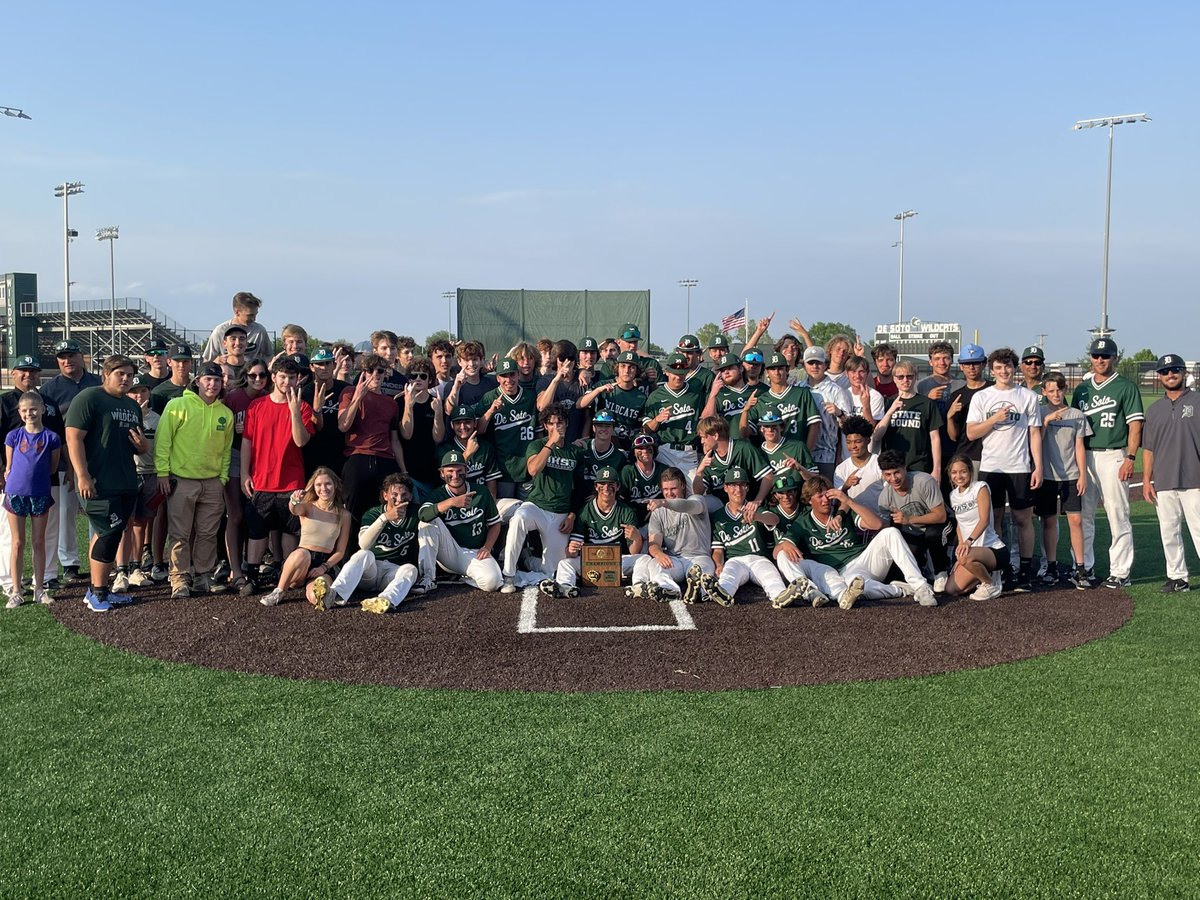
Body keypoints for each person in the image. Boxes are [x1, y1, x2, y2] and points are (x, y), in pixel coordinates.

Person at [772, 474, 938, 609]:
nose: (825, 500)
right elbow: (775, 552)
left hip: (861, 561)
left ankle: (920, 586)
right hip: (837, 572)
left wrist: (848, 501)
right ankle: (899, 589)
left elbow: (877, 524)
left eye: (828, 494)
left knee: (890, 532)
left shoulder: (841, 513)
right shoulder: (803, 522)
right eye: (819, 496)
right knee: (856, 588)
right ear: (809, 500)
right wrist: (784, 544)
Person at [64, 355, 148, 613]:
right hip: (98, 482)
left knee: (106, 532)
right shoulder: (89, 398)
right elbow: (73, 438)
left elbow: (141, 445)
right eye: (119, 373)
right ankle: (98, 593)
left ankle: (96, 588)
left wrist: (142, 445)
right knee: (109, 535)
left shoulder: (132, 406)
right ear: (106, 374)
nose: (125, 379)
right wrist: (83, 475)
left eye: (129, 375)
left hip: (125, 479)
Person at [965, 347, 1044, 592]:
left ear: (1015, 367)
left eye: (1008, 366)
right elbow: (971, 432)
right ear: (992, 370)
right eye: (999, 367)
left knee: (1023, 519)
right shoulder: (982, 397)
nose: (1004, 371)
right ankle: (1002, 568)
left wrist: (1037, 466)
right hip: (991, 467)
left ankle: (1025, 569)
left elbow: (1034, 433)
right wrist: (994, 419)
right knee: (995, 519)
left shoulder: (1027, 396)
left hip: (1019, 466)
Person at [155, 361, 236, 598]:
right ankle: (179, 578)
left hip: (212, 482)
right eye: (207, 379)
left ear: (222, 384)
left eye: (217, 380)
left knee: (208, 533)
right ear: (197, 381)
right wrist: (162, 472)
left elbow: (226, 449)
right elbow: (163, 441)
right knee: (180, 533)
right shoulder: (177, 405)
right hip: (182, 479)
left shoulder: (225, 413)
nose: (212, 384)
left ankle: (203, 575)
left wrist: (221, 478)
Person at [1072, 336, 1143, 589]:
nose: (1100, 360)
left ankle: (1120, 572)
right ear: (1090, 357)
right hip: (1086, 456)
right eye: (1096, 355)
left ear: (1115, 358)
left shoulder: (1125, 386)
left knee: (1118, 514)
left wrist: (1131, 457)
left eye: (1105, 356)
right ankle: (1084, 567)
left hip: (1114, 454)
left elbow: (1135, 424)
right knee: (1084, 515)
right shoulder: (1082, 388)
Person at [240, 357, 316, 593]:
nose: (286, 382)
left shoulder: (303, 407)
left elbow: (301, 441)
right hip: (261, 480)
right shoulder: (257, 406)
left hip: (292, 483)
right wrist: (244, 473)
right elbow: (246, 442)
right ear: (273, 378)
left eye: (291, 378)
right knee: (257, 530)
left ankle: (285, 574)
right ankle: (252, 576)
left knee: (290, 530)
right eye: (282, 377)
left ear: (297, 380)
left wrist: (294, 411)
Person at [311, 473, 430, 614]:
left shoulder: (415, 512)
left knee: (411, 569)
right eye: (394, 494)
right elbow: (363, 544)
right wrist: (384, 518)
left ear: (410, 496)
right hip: (370, 571)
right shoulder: (373, 513)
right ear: (385, 495)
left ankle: (386, 600)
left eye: (404, 495)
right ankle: (334, 595)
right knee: (363, 554)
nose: (399, 499)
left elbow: (433, 510)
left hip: (393, 573)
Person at [693, 466, 804, 608]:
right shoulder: (718, 516)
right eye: (733, 485)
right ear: (725, 488)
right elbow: (718, 550)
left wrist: (757, 516)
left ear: (747, 488)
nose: (738, 490)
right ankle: (719, 594)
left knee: (771, 576)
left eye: (741, 485)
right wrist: (719, 565)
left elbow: (774, 519)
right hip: (735, 559)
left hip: (759, 558)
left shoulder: (755, 507)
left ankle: (780, 597)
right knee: (728, 576)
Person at [0, 356, 65, 596]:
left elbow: (59, 437)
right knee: (11, 537)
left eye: (33, 372)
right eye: (23, 371)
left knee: (46, 534)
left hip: (43, 480)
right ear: (14, 374)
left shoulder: (48, 403)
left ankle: (46, 578)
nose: (29, 375)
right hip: (11, 480)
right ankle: (10, 582)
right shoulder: (5, 402)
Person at [500, 404, 582, 592]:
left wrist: (572, 515)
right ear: (545, 426)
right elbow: (533, 469)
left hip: (560, 512)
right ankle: (509, 576)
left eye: (559, 423)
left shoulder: (574, 452)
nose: (556, 427)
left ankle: (528, 560)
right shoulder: (537, 445)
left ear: (567, 424)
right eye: (551, 423)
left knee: (553, 570)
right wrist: (550, 443)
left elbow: (580, 488)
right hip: (536, 506)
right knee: (519, 518)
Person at [41, 339, 101, 585]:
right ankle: (70, 563)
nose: (67, 360)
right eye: (62, 356)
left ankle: (97, 557)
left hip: (96, 457)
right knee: (65, 512)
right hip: (65, 461)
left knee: (95, 511)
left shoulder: (97, 382)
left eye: (71, 355)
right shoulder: (49, 389)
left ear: (81, 356)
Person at [1141, 353, 1200, 594]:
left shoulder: (1197, 401)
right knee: (1169, 532)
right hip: (1164, 481)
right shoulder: (1154, 410)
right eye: (1165, 371)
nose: (1170, 374)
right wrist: (1146, 479)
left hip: (1195, 479)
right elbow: (1149, 448)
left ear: (1184, 373)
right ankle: (1178, 578)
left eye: (1175, 369)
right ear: (1159, 376)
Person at [539, 465, 643, 598]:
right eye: (602, 484)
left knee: (644, 559)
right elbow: (572, 552)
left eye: (611, 484)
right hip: (590, 562)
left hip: (617, 561)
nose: (606, 488)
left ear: (617, 487)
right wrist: (571, 549)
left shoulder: (626, 511)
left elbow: (634, 552)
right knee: (564, 563)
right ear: (595, 486)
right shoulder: (585, 511)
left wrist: (637, 538)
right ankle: (565, 587)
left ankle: (639, 587)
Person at [260, 467, 351, 607]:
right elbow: (294, 509)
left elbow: (340, 551)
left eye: (328, 484)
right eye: (319, 485)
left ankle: (327, 594)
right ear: (314, 488)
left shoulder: (344, 515)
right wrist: (294, 500)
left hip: (323, 563)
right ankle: (279, 591)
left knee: (316, 597)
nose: (324, 488)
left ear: (335, 485)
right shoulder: (308, 507)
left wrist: (324, 567)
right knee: (302, 554)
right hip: (301, 562)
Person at [417, 450, 503, 593]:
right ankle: (428, 578)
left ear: (466, 470)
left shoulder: (481, 492)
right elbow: (422, 514)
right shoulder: (438, 494)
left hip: (475, 552)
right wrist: (451, 502)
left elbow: (495, 524)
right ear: (442, 473)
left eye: (459, 470)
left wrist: (488, 547)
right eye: (450, 471)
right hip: (449, 551)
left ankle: (464, 577)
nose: (455, 475)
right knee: (426, 523)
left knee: (492, 582)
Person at [338, 353, 406, 536]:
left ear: (385, 374)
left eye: (380, 371)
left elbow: (394, 440)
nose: (375, 374)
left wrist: (403, 470)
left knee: (385, 510)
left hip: (385, 460)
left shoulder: (391, 403)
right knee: (352, 513)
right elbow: (343, 425)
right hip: (357, 458)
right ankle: (349, 558)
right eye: (369, 370)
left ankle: (382, 557)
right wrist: (357, 398)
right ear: (363, 373)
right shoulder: (349, 392)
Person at [1036, 372, 1090, 589]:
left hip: (1070, 476)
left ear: (1065, 389)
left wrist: (1083, 474)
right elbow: (1035, 443)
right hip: (1047, 476)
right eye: (1051, 390)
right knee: (1048, 521)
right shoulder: (1039, 413)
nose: (1055, 394)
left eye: (1059, 389)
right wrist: (1046, 422)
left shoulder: (1076, 415)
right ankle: (1050, 566)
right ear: (1044, 392)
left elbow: (1079, 446)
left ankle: (1080, 568)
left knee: (1075, 522)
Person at [628, 467, 714, 602]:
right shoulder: (658, 512)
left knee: (703, 575)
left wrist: (664, 502)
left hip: (699, 557)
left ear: (683, 486)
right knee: (654, 564)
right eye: (665, 490)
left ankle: (702, 593)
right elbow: (654, 543)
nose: (669, 493)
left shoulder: (697, 500)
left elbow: (689, 506)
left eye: (673, 489)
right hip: (676, 559)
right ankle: (669, 590)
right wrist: (658, 553)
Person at [876, 449, 952, 586]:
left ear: (905, 468)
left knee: (933, 534)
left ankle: (942, 569)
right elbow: (886, 530)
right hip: (914, 530)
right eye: (888, 474)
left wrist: (909, 519)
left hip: (942, 524)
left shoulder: (924, 481)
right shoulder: (884, 498)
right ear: (882, 474)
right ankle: (923, 570)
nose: (893, 479)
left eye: (897, 472)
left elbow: (941, 516)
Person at [119, 375, 161, 591]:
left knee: (141, 524)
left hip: (150, 474)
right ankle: (121, 570)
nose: (139, 395)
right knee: (124, 524)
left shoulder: (157, 418)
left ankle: (136, 568)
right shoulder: (122, 415)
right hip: (128, 474)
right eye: (134, 391)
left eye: (143, 391)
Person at [944, 454, 1005, 601]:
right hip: (970, 550)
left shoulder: (980, 487)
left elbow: (984, 520)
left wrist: (968, 542)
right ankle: (985, 573)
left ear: (970, 471)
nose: (959, 476)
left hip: (992, 549)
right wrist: (960, 546)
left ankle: (991, 583)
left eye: (963, 471)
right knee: (951, 590)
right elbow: (960, 524)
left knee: (965, 557)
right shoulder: (953, 495)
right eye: (954, 472)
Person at [477, 357, 539, 500]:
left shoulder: (530, 397)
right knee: (505, 513)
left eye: (512, 374)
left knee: (526, 513)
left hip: (527, 467)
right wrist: (491, 410)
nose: (508, 379)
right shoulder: (489, 398)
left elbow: (539, 433)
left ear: (518, 374)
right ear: (497, 378)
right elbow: (479, 430)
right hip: (503, 468)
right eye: (504, 375)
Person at [873, 359, 943, 476]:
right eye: (900, 377)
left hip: (919, 465)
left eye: (909, 376)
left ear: (915, 377)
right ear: (894, 379)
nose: (905, 380)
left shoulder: (927, 403)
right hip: (893, 466)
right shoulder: (888, 402)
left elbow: (935, 438)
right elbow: (876, 436)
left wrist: (937, 469)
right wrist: (890, 412)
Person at [642, 353, 705, 482]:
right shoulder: (656, 396)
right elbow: (646, 430)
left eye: (681, 373)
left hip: (690, 451)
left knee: (695, 493)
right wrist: (657, 420)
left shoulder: (695, 394)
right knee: (667, 491)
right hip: (665, 450)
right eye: (675, 373)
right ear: (667, 372)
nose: (678, 377)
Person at [692, 415, 774, 514]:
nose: (702, 441)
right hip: (722, 509)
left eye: (704, 437)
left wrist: (757, 501)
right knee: (696, 502)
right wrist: (699, 471)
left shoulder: (743, 448)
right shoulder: (707, 459)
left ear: (715, 436)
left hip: (747, 505)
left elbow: (768, 476)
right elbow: (698, 493)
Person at [741, 352, 819, 446]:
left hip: (797, 452)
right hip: (771, 457)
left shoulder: (802, 393)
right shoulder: (761, 400)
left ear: (787, 370)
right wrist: (745, 410)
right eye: (773, 369)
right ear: (767, 373)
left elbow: (814, 425)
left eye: (780, 368)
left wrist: (807, 453)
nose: (777, 372)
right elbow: (744, 433)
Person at [798, 346, 853, 481]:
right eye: (811, 363)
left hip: (826, 454)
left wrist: (839, 414)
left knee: (825, 496)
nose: (814, 366)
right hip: (801, 453)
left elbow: (850, 427)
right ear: (804, 366)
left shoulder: (836, 391)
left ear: (825, 365)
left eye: (818, 363)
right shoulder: (798, 388)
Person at [398, 357, 446, 499]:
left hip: (430, 468)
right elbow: (406, 434)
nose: (418, 379)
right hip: (409, 468)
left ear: (430, 380)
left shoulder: (437, 402)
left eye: (423, 376)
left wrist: (438, 412)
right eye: (414, 376)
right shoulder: (400, 402)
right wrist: (409, 405)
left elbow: (438, 438)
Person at [580, 350, 647, 450]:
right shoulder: (604, 385)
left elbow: (642, 428)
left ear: (637, 370)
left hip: (625, 448)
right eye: (623, 366)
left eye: (631, 367)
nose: (626, 370)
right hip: (600, 444)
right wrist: (598, 390)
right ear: (617, 368)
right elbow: (580, 404)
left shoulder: (641, 398)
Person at [945, 344, 990, 480]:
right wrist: (950, 417)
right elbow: (953, 437)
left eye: (975, 363)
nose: (971, 367)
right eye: (967, 363)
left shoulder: (994, 390)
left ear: (984, 364)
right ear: (961, 366)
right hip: (967, 454)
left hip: (993, 454)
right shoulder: (957, 395)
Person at [301, 347, 347, 477]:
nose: (324, 367)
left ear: (334, 365)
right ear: (311, 367)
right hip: (313, 453)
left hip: (341, 453)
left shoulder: (345, 389)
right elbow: (312, 428)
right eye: (319, 364)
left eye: (328, 363)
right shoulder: (305, 393)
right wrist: (317, 410)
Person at [202, 291, 272, 363]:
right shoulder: (220, 331)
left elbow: (269, 356)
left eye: (255, 314)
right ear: (237, 312)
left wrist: (260, 366)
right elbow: (207, 360)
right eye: (250, 315)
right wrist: (216, 361)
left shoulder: (259, 331)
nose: (254, 319)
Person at [834, 415, 884, 512]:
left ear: (868, 441)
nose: (853, 446)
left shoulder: (879, 464)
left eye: (857, 441)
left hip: (880, 519)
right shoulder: (841, 469)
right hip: (854, 522)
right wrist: (846, 486)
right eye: (849, 442)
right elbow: (837, 501)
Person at [618, 433, 665, 527]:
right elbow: (620, 501)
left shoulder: (663, 470)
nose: (645, 451)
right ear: (634, 452)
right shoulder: (628, 471)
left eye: (648, 447)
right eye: (640, 448)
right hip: (633, 519)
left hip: (659, 517)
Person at [150, 344, 195, 414]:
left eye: (185, 361)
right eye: (177, 361)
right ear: (169, 362)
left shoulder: (199, 389)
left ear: (191, 362)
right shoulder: (159, 393)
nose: (181, 365)